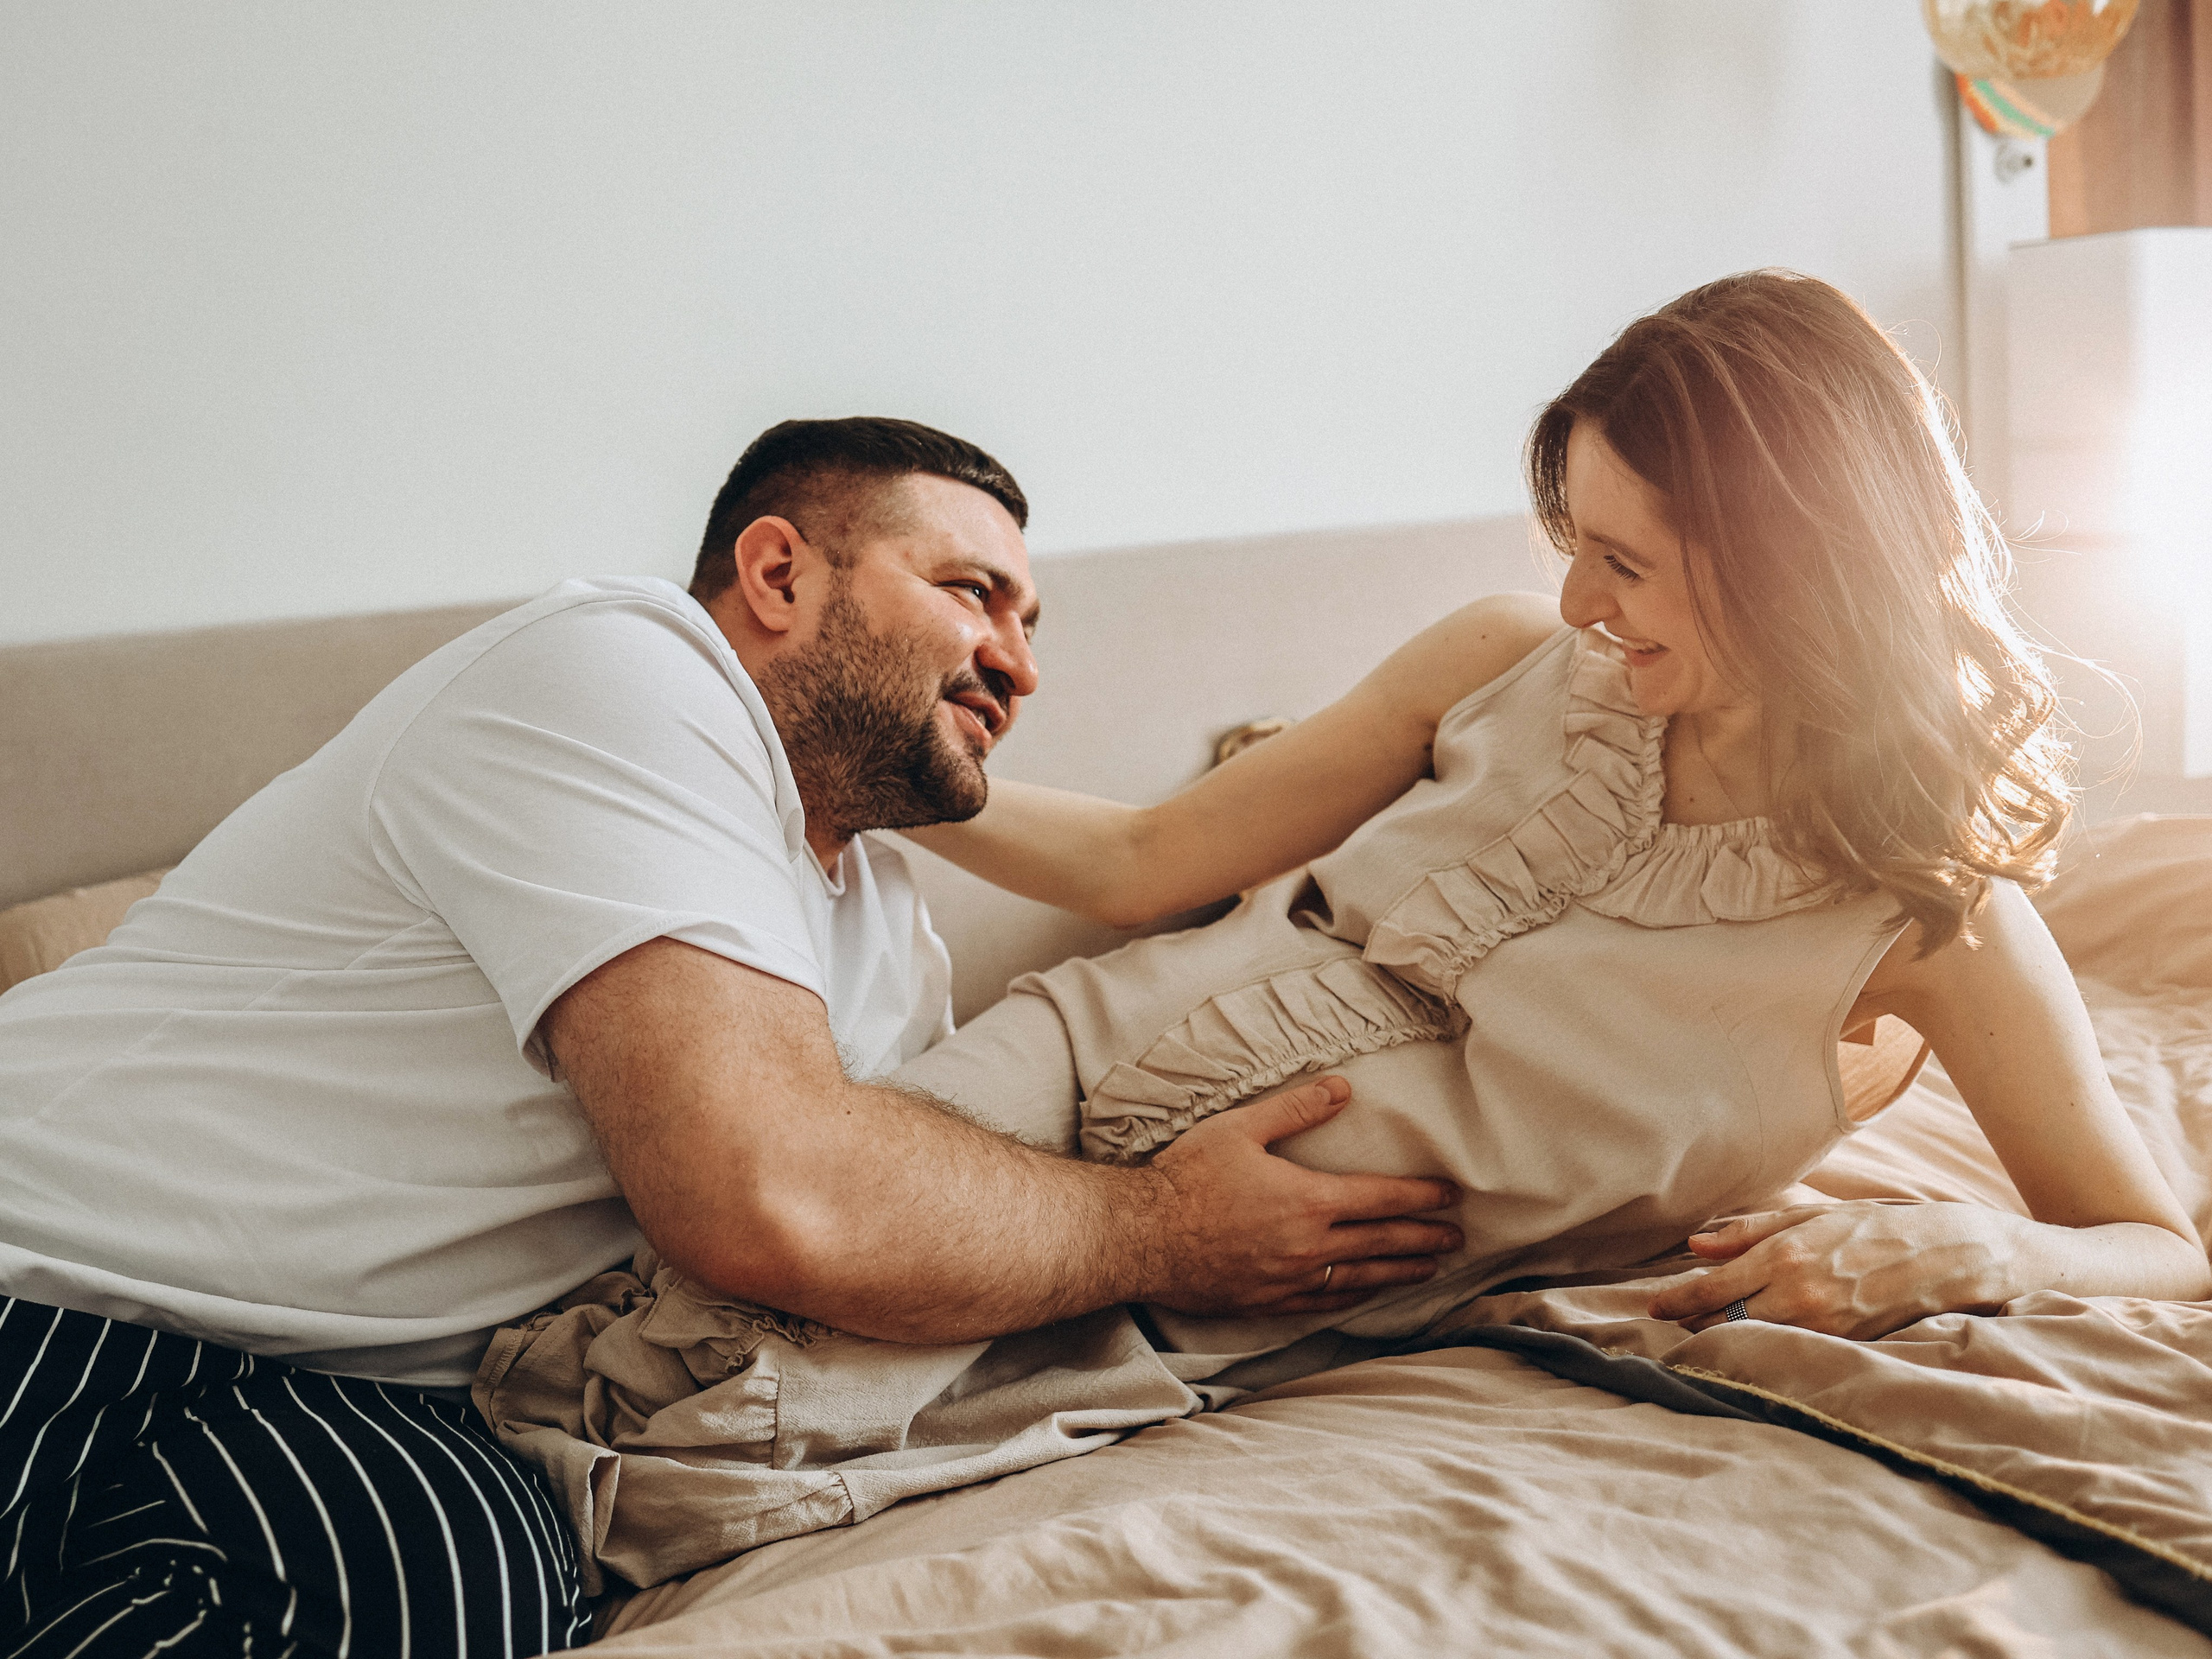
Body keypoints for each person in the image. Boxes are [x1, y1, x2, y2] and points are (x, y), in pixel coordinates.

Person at [473, 272, 2208, 1596]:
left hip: (1267, 1286)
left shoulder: (1926, 923)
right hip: (1089, 1048)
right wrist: (833, 745)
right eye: (1569, 545)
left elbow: (2153, 1241)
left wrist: (1965, 1257)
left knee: (726, 1458)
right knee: (669, 1325)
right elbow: (1157, 857)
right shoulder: (1497, 659)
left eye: (1625, 559)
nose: (1580, 603)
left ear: (1796, 562)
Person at [0, 416, 1463, 1656]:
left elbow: (898, 1222)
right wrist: (1175, 1233)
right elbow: (775, 1196)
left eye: (1031, 625)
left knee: (484, 1561)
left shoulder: (879, 928)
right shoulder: (618, 677)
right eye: (974, 592)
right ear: (777, 572)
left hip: (351, 1388)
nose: (1018, 660)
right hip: (59, 1285)